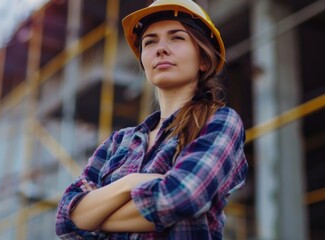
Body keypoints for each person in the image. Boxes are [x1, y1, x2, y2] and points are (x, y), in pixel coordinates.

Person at [55, 0, 248, 239]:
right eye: (150, 42)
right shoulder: (118, 143)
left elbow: (183, 195)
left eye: (176, 38)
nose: (161, 49)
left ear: (204, 60)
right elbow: (66, 219)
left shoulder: (219, 122)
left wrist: (95, 218)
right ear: (144, 62)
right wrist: (131, 182)